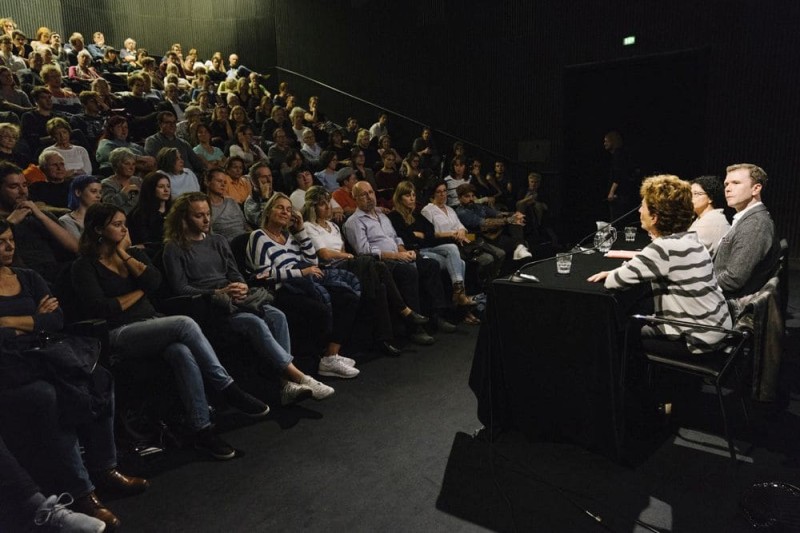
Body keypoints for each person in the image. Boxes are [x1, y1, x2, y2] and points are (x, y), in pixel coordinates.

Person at [72, 203, 270, 461]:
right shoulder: (84, 266)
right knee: (184, 323)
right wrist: (140, 291)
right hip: (118, 333)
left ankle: (202, 430)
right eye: (117, 224)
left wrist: (123, 256)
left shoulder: (132, 256)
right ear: (99, 229)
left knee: (181, 351)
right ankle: (226, 387)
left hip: (152, 323)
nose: (124, 229)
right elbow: (103, 307)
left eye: (124, 224)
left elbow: (155, 282)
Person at [0, 218, 148, 530]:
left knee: (99, 377)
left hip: (47, 353)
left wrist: (10, 322)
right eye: (1, 242)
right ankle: (82, 491)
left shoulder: (27, 276)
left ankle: (105, 468)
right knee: (53, 395)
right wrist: (34, 318)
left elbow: (56, 320)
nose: (9, 246)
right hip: (11, 366)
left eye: (11, 239)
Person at [162, 192, 334, 403]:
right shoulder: (173, 248)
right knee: (254, 322)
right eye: (199, 216)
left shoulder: (218, 240)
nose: (207, 220)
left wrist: (241, 286)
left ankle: (284, 383)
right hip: (211, 304)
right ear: (183, 218)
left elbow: (235, 273)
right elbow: (181, 289)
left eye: (208, 214)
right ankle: (297, 377)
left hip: (236, 295)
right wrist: (218, 293)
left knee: (277, 316)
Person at [588, 175, 732, 354]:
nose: (640, 211)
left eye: (643, 206)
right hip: (718, 330)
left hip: (696, 340)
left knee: (620, 330)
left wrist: (612, 273)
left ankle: (627, 381)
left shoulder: (664, 247)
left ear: (655, 217)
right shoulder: (692, 240)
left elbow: (614, 282)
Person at [247, 193, 362, 378]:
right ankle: (314, 363)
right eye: (279, 207)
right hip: (281, 289)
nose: (285, 212)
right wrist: (300, 273)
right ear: (268, 211)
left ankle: (330, 356)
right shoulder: (258, 236)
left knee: (348, 297)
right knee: (319, 309)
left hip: (305, 283)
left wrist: (300, 230)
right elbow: (264, 275)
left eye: (288, 209)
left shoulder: (289, 236)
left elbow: (311, 260)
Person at [302, 186, 413, 353]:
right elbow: (324, 254)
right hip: (329, 268)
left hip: (345, 265)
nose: (327, 207)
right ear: (313, 207)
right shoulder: (309, 226)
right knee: (374, 265)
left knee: (379, 283)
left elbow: (343, 250)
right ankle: (404, 311)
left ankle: (385, 338)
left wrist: (346, 256)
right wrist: (348, 257)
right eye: (321, 204)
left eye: (328, 203)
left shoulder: (334, 226)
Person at [343, 181, 456, 336]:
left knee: (431, 265)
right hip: (381, 263)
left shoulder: (382, 216)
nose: (369, 197)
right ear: (354, 198)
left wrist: (404, 252)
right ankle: (414, 329)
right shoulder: (354, 222)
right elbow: (364, 251)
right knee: (408, 272)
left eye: (371, 192)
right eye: (364, 194)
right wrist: (397, 256)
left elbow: (396, 238)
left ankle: (436, 316)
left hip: (398, 255)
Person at [389, 181, 477, 315]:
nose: (412, 198)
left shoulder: (416, 215)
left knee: (456, 254)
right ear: (399, 197)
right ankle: (460, 304)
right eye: (408, 195)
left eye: (413, 195)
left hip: (428, 247)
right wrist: (418, 234)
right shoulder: (394, 216)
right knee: (459, 262)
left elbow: (429, 233)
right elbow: (405, 238)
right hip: (415, 252)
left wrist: (417, 234)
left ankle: (459, 298)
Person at [0, 162, 78, 282]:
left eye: (25, 185)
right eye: (14, 186)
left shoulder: (39, 214)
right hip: (25, 277)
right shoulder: (4, 221)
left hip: (57, 270)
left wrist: (41, 215)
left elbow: (75, 247)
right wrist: (10, 223)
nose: (22, 191)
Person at [713, 163, 781, 299]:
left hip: (726, 304)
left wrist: (697, 286)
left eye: (736, 183)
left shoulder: (755, 223)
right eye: (726, 184)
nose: (728, 189)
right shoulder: (747, 218)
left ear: (756, 189)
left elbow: (734, 279)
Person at [421, 180, 502, 287]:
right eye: (439, 192)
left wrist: (461, 231)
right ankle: (483, 286)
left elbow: (461, 227)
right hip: (442, 244)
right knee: (488, 259)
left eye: (444, 191)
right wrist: (453, 233)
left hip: (461, 241)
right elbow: (430, 234)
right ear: (433, 194)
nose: (443, 194)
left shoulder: (449, 209)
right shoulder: (428, 210)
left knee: (498, 253)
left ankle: (490, 285)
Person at [454, 183, 532, 262]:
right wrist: (508, 220)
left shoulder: (476, 206)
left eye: (472, 196)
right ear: (459, 198)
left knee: (515, 218)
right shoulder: (462, 212)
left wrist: (513, 215)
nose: (471, 199)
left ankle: (520, 246)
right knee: (510, 241)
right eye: (467, 196)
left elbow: (496, 213)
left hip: (487, 234)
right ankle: (519, 246)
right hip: (472, 237)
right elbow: (485, 223)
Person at [127, 171, 172, 249]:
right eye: (161, 187)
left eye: (168, 186)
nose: (166, 190)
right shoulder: (139, 214)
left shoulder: (174, 210)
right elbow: (143, 243)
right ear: (151, 189)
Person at [688, 175, 730, 255]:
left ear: (710, 198)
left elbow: (684, 250)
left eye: (696, 194)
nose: (690, 198)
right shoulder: (703, 218)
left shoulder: (712, 221)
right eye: (689, 194)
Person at [205, 168, 248, 241]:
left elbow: (245, 225)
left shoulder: (231, 201)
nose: (223, 185)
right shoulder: (204, 206)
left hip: (245, 238)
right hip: (226, 243)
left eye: (225, 182)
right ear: (207, 182)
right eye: (219, 181)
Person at [603, 130, 637, 220]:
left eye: (606, 141)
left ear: (612, 141)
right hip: (620, 194)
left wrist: (612, 192)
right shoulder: (618, 155)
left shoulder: (618, 155)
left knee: (617, 220)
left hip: (619, 195)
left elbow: (618, 175)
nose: (604, 143)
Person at [58, 174, 101, 239]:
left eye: (100, 192)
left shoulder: (102, 216)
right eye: (93, 191)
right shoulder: (67, 221)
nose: (98, 196)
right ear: (78, 192)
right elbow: (79, 247)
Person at [101, 147, 142, 213]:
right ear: (116, 165)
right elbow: (108, 207)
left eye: (133, 164)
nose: (131, 168)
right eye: (127, 164)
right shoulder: (107, 184)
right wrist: (124, 193)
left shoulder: (138, 181)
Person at [243, 162, 274, 227]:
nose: (269, 180)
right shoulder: (250, 203)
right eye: (264, 177)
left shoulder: (278, 195)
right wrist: (265, 198)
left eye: (270, 176)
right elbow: (265, 223)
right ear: (254, 181)